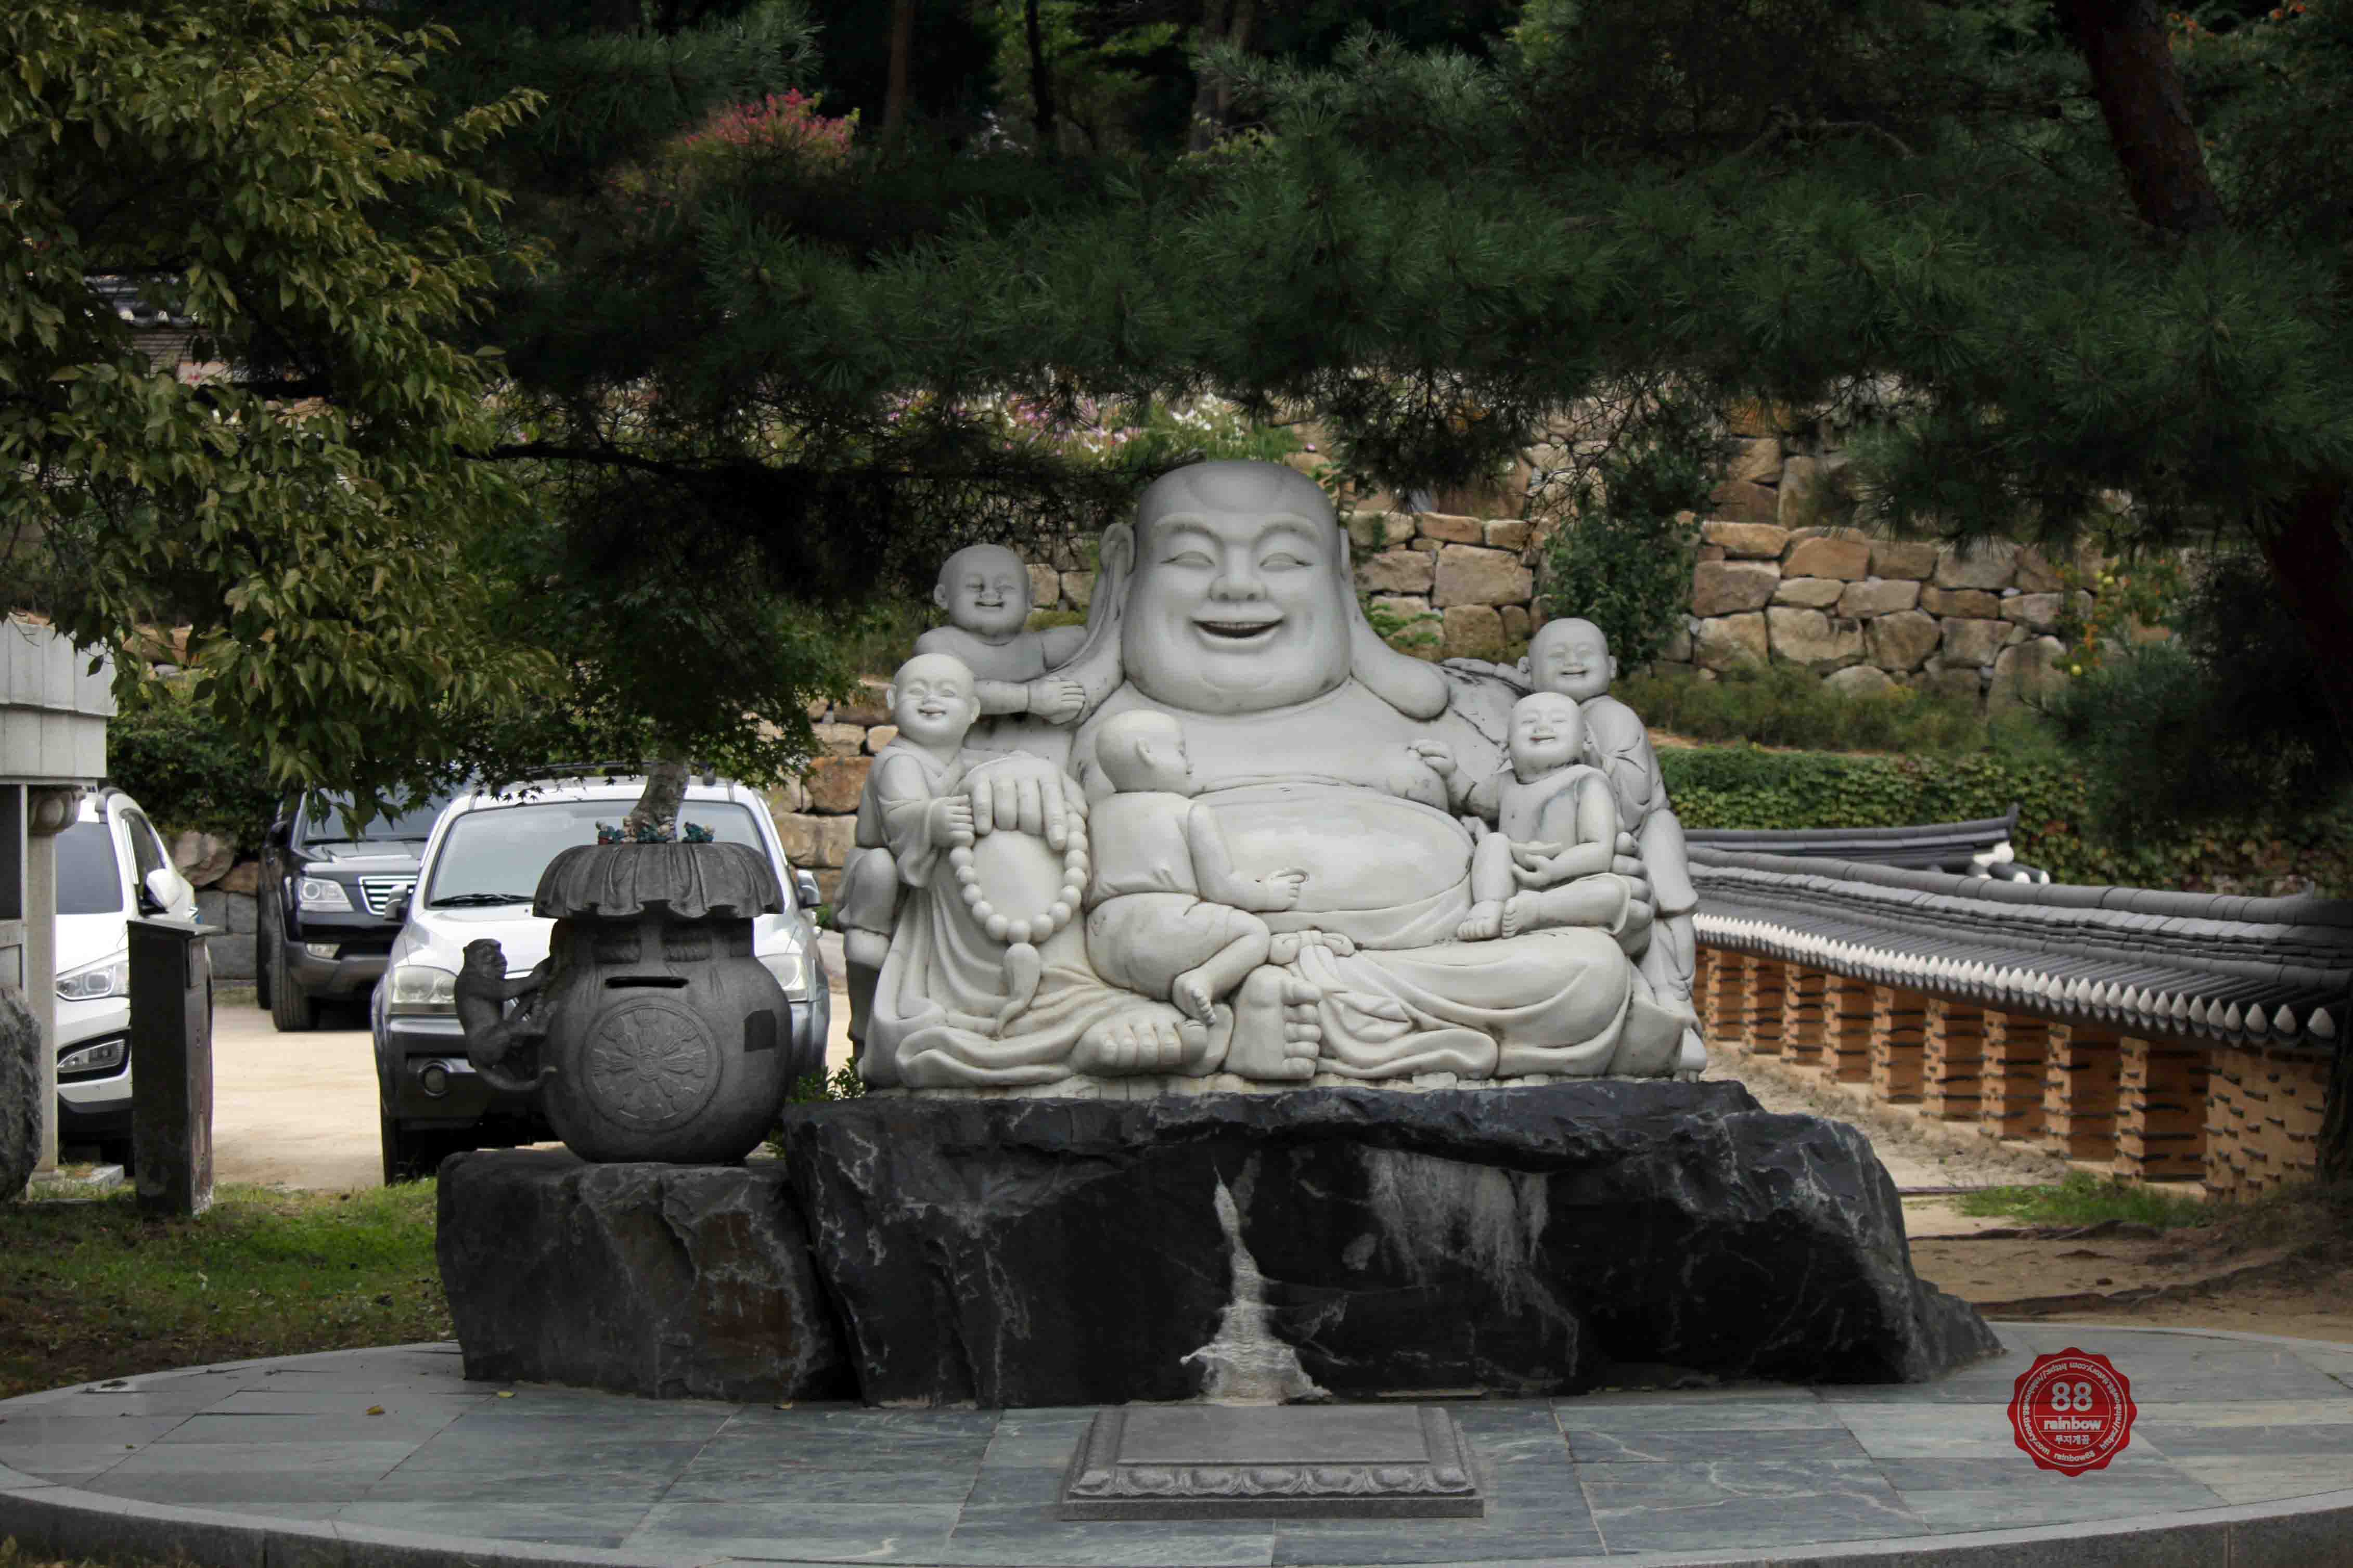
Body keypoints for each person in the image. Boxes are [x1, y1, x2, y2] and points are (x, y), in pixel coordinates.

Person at [872, 459, 1686, 1087]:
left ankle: (1244, 1017)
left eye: (1284, 558)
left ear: (1338, 569)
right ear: (1126, 568)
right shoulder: (1068, 721)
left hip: (1428, 967)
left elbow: (1546, 827)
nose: (1237, 586)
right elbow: (970, 845)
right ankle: (1176, 1015)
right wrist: (1014, 776)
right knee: (1002, 824)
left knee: (1588, 975)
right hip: (1163, 952)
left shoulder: (1456, 718)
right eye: (1191, 556)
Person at [1519, 616, 1706, 1075]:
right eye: (1557, 655)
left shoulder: (1612, 717)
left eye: (1585, 652)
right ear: (1525, 670)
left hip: (1637, 838)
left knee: (1660, 919)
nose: (1572, 661)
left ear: (1613, 666)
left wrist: (1585, 761)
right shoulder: (1531, 717)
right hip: (1572, 849)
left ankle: (1675, 1008)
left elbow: (1632, 798)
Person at [1084, 709, 1308, 1028]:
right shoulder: (1189, 812)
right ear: (1147, 753)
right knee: (1254, 933)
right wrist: (1269, 894)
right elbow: (1221, 887)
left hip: (1104, 945)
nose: (1190, 765)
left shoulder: (1096, 815)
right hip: (1167, 928)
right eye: (1181, 752)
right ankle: (1202, 980)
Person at [1451, 692, 1629, 943]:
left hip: (1569, 885)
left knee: (1612, 893)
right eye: (1529, 721)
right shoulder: (1505, 783)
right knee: (1493, 843)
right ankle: (1490, 905)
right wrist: (1451, 774)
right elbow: (1470, 799)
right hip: (1513, 879)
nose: (1543, 727)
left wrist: (1556, 870)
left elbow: (1599, 849)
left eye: (1558, 720)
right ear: (1506, 745)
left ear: (1586, 740)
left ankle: (1538, 910)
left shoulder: (1588, 781)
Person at [915, 544, 1088, 724]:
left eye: (1005, 586)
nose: (990, 593)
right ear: (943, 597)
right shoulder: (939, 644)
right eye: (975, 586)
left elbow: (1096, 639)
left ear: (1029, 600)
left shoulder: (1037, 646)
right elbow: (957, 692)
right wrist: (1029, 698)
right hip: (963, 738)